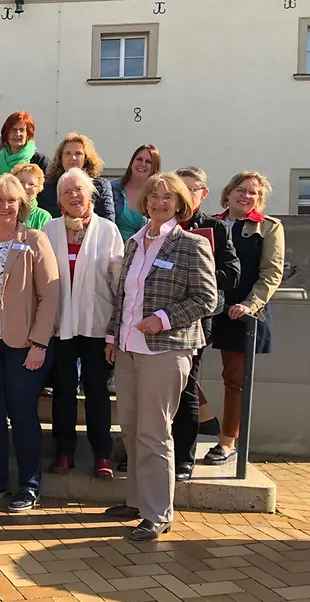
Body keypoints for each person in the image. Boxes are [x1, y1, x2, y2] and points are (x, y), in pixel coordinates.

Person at [104, 173, 217, 541]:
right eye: (154, 195)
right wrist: (112, 336)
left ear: (180, 203)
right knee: (134, 430)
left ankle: (158, 513)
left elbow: (207, 299)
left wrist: (163, 319)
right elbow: (123, 296)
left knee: (154, 433)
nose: (159, 202)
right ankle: (136, 501)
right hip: (127, 349)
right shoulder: (135, 242)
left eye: (168, 197)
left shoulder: (190, 245)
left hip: (165, 351)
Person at [0, 174, 59, 512]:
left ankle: (29, 486)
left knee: (22, 413)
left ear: (22, 205)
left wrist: (39, 343)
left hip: (23, 345)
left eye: (11, 200)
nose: (4, 206)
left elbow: (50, 295)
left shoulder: (35, 240)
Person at [42, 168, 124, 478]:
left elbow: (120, 283)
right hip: (61, 326)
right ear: (60, 199)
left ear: (91, 194)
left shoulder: (107, 231)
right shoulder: (50, 230)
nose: (74, 195)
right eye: (67, 191)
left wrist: (115, 331)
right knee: (63, 390)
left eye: (79, 190)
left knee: (96, 391)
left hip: (97, 326)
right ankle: (64, 452)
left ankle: (102, 454)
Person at [205, 172, 284, 466]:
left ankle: (227, 443)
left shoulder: (268, 228)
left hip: (242, 313)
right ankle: (204, 418)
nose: (245, 196)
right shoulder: (210, 223)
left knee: (234, 380)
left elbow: (271, 273)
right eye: (241, 189)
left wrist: (250, 305)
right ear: (228, 193)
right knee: (182, 369)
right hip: (207, 309)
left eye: (253, 193)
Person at [170, 167, 240, 481]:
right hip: (158, 319)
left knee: (186, 386)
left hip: (197, 320)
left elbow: (232, 274)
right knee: (157, 391)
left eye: (191, 188)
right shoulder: (161, 224)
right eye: (179, 188)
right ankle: (150, 455)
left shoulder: (215, 228)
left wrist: (195, 273)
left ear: (203, 194)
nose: (184, 194)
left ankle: (184, 458)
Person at [40, 133, 115, 221]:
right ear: (61, 158)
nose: (73, 158)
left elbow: (108, 219)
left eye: (78, 153)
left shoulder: (100, 186)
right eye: (68, 153)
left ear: (86, 158)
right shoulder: (48, 186)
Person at [0, 111, 49, 196]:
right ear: (6, 134)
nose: (17, 134)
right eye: (13, 130)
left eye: (22, 130)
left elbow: (46, 195)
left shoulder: (40, 161)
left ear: (28, 134)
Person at [0, 163, 51, 236]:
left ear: (38, 189)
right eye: (20, 182)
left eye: (31, 184)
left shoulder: (43, 217)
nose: (25, 187)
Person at [111, 145, 160, 242]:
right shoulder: (111, 188)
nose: (143, 164)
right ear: (132, 162)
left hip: (142, 251)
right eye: (139, 159)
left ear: (155, 167)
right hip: (112, 250)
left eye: (148, 162)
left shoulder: (158, 195)